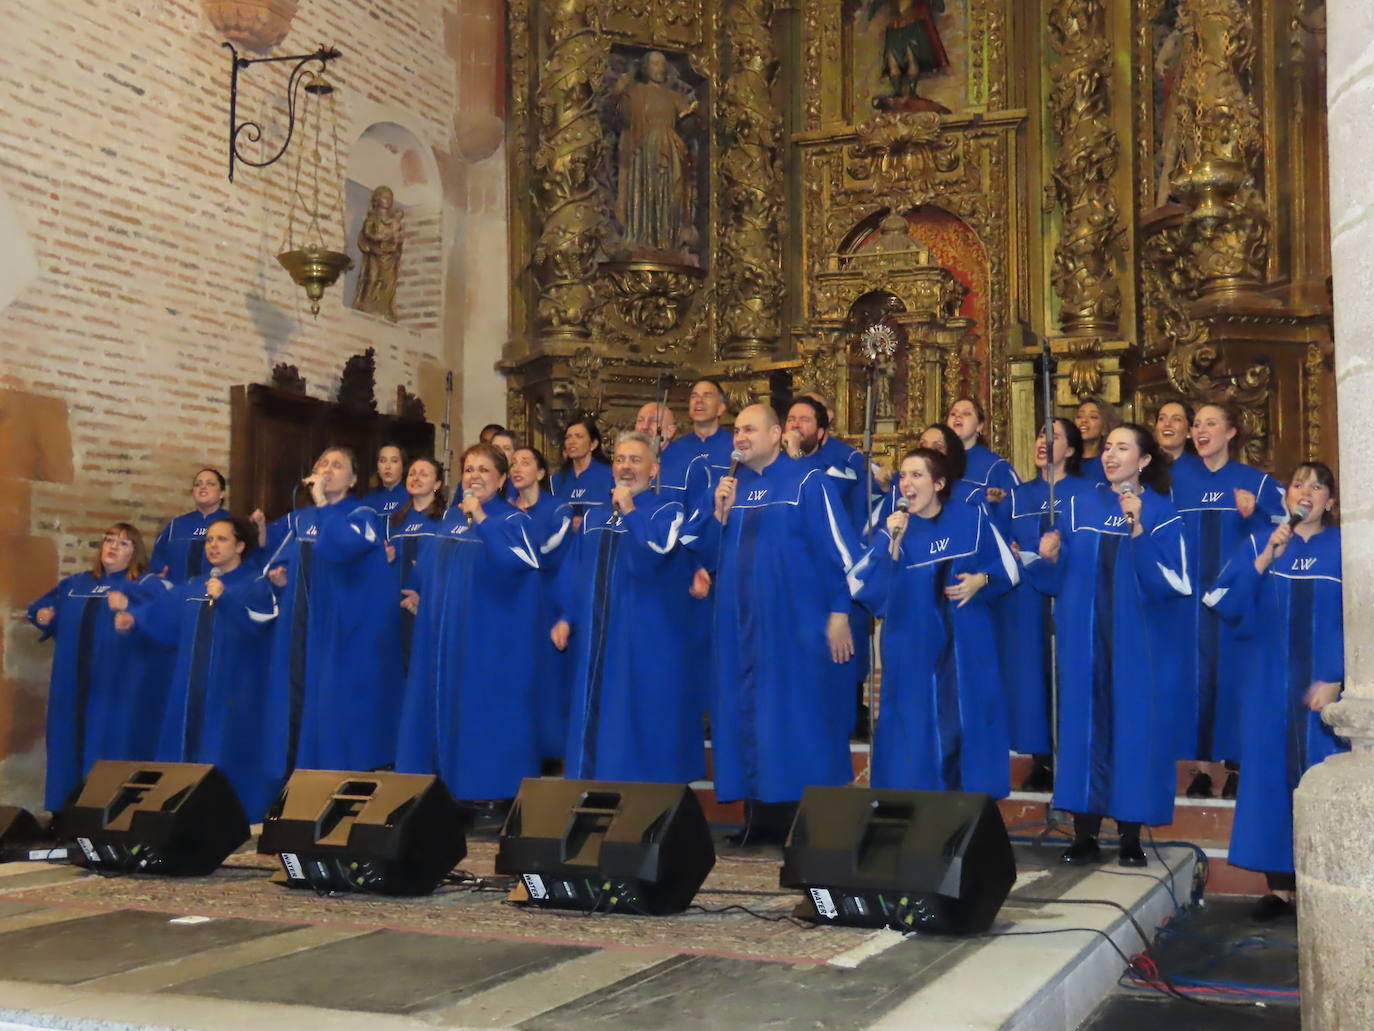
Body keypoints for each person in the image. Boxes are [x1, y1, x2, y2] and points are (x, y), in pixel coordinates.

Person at [682, 404, 860, 844]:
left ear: (777, 434)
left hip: (793, 630)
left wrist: (840, 612)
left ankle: (799, 821)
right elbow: (700, 551)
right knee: (743, 717)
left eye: (749, 429)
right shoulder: (728, 489)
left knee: (794, 720)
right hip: (738, 631)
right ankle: (757, 818)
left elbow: (846, 555)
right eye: (736, 430)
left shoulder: (807, 482)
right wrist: (717, 514)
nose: (739, 437)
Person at [1025, 424, 1191, 867]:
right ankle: (1084, 833)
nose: (1111, 455)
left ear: (1144, 460)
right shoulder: (1079, 505)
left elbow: (1176, 581)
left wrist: (1139, 532)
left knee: (1133, 732)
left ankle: (1132, 836)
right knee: (1084, 731)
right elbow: (1054, 580)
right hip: (1084, 638)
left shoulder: (1162, 513)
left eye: (1123, 447)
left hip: (1136, 644)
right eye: (1108, 448)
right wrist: (1050, 555)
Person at [1204, 462, 1347, 922]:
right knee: (1270, 781)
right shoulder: (1258, 544)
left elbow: (1363, 621)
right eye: (1298, 483)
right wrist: (1265, 556)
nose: (1306, 491)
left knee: (1325, 780)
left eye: (1317, 486)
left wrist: (1340, 678)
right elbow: (1221, 602)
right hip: (1268, 686)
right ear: (1287, 497)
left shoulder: (1347, 548)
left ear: (1331, 501)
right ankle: (1280, 889)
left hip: (1326, 691)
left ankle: (1329, 882)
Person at [852, 447, 1018, 795]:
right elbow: (863, 588)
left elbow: (1009, 569)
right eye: (902, 476)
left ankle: (969, 814)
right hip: (913, 655)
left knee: (967, 729)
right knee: (914, 737)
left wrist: (982, 580)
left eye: (916, 475)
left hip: (966, 653)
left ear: (939, 483)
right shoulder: (893, 529)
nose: (906, 483)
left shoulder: (971, 518)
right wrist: (891, 547)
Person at [395, 443, 543, 813]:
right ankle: (442, 786)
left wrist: (483, 517)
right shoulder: (450, 519)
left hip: (487, 636)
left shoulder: (512, 520)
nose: (474, 477)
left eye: (484, 470)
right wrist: (420, 591)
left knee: (482, 713)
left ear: (503, 479)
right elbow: (432, 565)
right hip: (443, 633)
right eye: (469, 469)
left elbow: (520, 562)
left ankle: (487, 791)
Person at [554, 432, 704, 783]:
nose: (625, 467)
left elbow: (656, 551)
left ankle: (649, 801)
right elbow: (574, 570)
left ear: (654, 470)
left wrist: (631, 510)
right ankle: (594, 792)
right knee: (598, 717)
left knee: (643, 718)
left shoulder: (668, 511)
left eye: (636, 460)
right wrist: (566, 616)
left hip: (646, 638)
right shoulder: (593, 517)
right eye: (620, 459)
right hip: (597, 637)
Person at [116, 515, 282, 818]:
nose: (212, 546)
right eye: (208, 540)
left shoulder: (255, 584)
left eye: (221, 539)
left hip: (234, 691)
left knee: (226, 752)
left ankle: (234, 817)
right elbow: (162, 615)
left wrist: (226, 597)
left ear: (241, 545)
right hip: (191, 688)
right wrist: (134, 619)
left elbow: (261, 622)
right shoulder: (194, 585)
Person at [1172, 402, 1287, 798]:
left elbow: (1289, 527)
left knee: (1237, 679)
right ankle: (1201, 769)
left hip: (1240, 600)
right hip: (1190, 605)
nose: (1201, 431)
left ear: (1232, 432)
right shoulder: (1177, 479)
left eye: (1211, 423)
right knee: (1197, 680)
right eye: (1197, 424)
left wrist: (1256, 514)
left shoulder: (1255, 482)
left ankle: (1237, 766)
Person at [266, 447, 401, 772]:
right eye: (321, 463)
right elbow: (272, 562)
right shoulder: (300, 519)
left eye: (337, 465)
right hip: (302, 624)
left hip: (344, 630)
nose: (327, 470)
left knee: (338, 708)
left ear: (353, 479)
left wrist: (324, 505)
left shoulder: (362, 515)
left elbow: (344, 547)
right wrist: (279, 578)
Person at [27, 524, 170, 813]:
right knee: (68, 745)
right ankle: (66, 814)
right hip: (72, 682)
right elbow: (42, 606)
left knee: (109, 747)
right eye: (109, 540)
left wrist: (131, 606)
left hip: (117, 684)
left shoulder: (146, 584)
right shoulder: (77, 584)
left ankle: (106, 815)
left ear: (136, 553)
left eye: (124, 543)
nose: (113, 547)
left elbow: (168, 613)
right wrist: (42, 614)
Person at [1004, 418, 1092, 791]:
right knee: (1031, 677)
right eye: (1040, 434)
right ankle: (1041, 759)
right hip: (1026, 602)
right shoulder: (1018, 495)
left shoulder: (1087, 493)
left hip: (1071, 599)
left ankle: (1071, 756)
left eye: (1054, 437)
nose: (1044, 441)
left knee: (1068, 675)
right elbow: (1002, 542)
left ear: (1070, 450)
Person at [510, 445, 575, 764]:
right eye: (512, 463)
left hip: (547, 599)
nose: (517, 468)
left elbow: (545, 552)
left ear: (540, 472)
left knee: (548, 676)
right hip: (512, 602)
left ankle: (551, 750)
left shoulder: (557, 509)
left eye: (525, 462)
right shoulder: (504, 510)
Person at [612, 50, 697, 257]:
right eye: (655, 64)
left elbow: (688, 123)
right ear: (645, 67)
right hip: (643, 150)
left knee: (670, 194)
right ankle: (642, 237)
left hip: (669, 148)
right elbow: (620, 116)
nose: (660, 69)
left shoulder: (673, 96)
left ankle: (667, 239)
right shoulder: (636, 92)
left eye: (663, 65)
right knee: (644, 191)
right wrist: (619, 91)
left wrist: (692, 115)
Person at [388, 457, 447, 676]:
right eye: (412, 473)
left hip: (429, 608)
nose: (416, 478)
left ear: (437, 484)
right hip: (398, 609)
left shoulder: (446, 520)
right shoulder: (396, 521)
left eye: (424, 474)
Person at [150, 468, 232, 582]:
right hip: (178, 594)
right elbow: (158, 559)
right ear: (193, 492)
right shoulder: (176, 525)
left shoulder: (232, 523)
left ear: (222, 493)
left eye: (210, 483)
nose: (203, 487)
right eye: (198, 484)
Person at [947, 397, 1021, 509]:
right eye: (953, 414)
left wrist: (1000, 501)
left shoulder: (996, 466)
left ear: (979, 426)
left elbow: (1020, 506)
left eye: (966, 413)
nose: (958, 416)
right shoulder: (937, 462)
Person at [663, 379, 735, 479]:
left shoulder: (735, 447)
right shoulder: (675, 448)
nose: (699, 401)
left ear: (721, 408)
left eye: (707, 396)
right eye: (694, 396)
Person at [352, 184, 404, 321]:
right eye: (384, 196)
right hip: (375, 255)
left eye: (389, 197)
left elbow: (398, 240)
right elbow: (368, 234)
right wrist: (382, 238)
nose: (387, 199)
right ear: (376, 199)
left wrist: (396, 240)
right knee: (372, 278)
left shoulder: (394, 222)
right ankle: (368, 303)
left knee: (388, 282)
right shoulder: (372, 219)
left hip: (390, 257)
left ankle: (384, 307)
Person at [550, 417, 615, 522]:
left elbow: (618, 517)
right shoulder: (555, 481)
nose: (571, 442)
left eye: (578, 436)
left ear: (593, 444)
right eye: (568, 437)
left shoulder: (610, 476)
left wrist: (587, 522)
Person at [1074, 397, 1119, 487]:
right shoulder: (1065, 461)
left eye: (1093, 417)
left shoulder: (1110, 462)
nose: (1084, 420)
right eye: (1079, 416)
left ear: (1105, 428)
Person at [362, 443, 408, 524]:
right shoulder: (368, 500)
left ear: (403, 466)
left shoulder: (411, 498)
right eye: (382, 461)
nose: (387, 466)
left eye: (394, 461)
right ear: (377, 467)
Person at [1153, 399, 1200, 473]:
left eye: (1176, 419)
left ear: (1189, 432)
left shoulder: (1201, 468)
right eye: (1161, 419)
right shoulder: (1140, 465)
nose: (1167, 424)